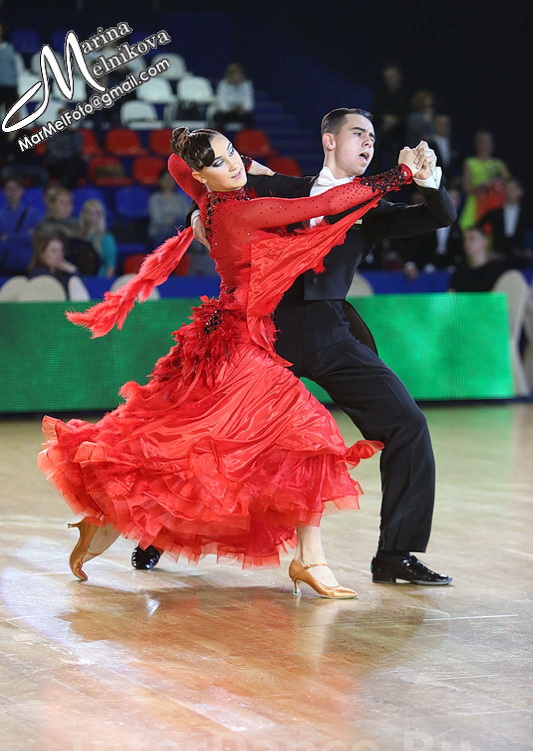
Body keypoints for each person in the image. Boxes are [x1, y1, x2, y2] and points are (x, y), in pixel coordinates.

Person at [38, 126, 421, 594]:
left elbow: (176, 162)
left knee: (183, 444)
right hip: (241, 346)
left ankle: (108, 521)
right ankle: (308, 560)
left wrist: (214, 159)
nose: (236, 164)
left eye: (234, 152)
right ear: (202, 174)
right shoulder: (243, 212)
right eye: (220, 162)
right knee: (308, 435)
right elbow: (324, 203)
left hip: (221, 337)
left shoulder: (209, 200)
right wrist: (400, 174)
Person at [170, 108, 456, 586]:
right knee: (213, 438)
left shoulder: (370, 208)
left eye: (373, 136)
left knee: (408, 424)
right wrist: (195, 214)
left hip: (330, 334)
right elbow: (204, 182)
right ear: (329, 140)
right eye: (358, 133)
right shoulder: (280, 187)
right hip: (264, 336)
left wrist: (427, 182)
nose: (368, 143)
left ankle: (395, 554)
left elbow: (440, 216)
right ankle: (156, 534)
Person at [459, 129, 510, 230]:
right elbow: (466, 188)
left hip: (493, 202)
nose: (486, 145)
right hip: (475, 202)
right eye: (482, 142)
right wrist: (479, 188)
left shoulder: (498, 164)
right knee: (472, 227)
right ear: (477, 144)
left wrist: (496, 185)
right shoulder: (470, 162)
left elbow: (509, 182)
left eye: (488, 142)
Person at [478, 177, 531, 267]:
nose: (510, 191)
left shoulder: (528, 215)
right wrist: (486, 251)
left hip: (521, 259)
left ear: (521, 192)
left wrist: (529, 251)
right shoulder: (494, 213)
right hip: (498, 258)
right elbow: (477, 228)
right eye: (507, 188)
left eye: (513, 188)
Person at [0, 176, 43, 274]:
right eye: (9, 189)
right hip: (5, 266)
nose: (13, 192)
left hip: (30, 266)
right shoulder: (0, 216)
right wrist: (25, 235)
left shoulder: (34, 214)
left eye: (16, 188)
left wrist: (9, 237)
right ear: (4, 191)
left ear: (22, 191)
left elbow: (37, 239)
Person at [27, 232, 89, 300]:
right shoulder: (38, 274)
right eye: (54, 251)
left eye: (61, 251)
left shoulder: (63, 274)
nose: (59, 255)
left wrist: (73, 270)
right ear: (42, 254)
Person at [448, 226, 507, 293]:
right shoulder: (460, 271)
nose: (466, 242)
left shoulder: (497, 272)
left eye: (472, 238)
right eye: (464, 239)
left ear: (485, 241)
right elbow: (451, 295)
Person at [148, 168, 190, 248]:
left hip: (180, 228)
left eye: (171, 179)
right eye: (165, 179)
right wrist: (173, 220)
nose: (168, 181)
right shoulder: (155, 198)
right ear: (160, 181)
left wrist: (172, 219)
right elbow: (157, 219)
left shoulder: (181, 198)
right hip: (160, 230)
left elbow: (187, 217)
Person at [78, 199, 118, 278]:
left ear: (100, 215)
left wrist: (106, 282)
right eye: (89, 213)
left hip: (99, 278)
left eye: (95, 213)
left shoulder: (107, 238)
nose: (92, 216)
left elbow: (110, 265)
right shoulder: (78, 235)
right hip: (80, 277)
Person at [213, 62, 255, 132]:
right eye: (235, 75)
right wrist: (229, 108)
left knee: (250, 118)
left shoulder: (246, 85)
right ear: (229, 76)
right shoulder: (223, 85)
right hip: (227, 113)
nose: (237, 77)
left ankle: (247, 138)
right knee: (218, 118)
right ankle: (220, 137)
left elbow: (249, 103)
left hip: (240, 113)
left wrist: (243, 108)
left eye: (239, 74)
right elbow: (221, 103)